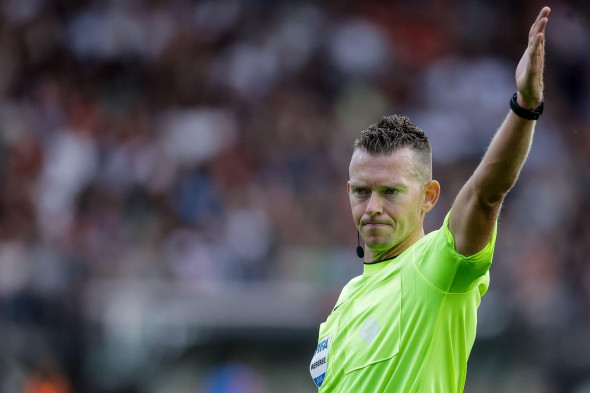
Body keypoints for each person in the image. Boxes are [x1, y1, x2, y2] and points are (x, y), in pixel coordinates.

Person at [309, 6, 551, 393]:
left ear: (429, 197)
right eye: (361, 191)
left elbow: (485, 195)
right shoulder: (346, 299)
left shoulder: (435, 267)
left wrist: (524, 108)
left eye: (390, 192)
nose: (372, 207)